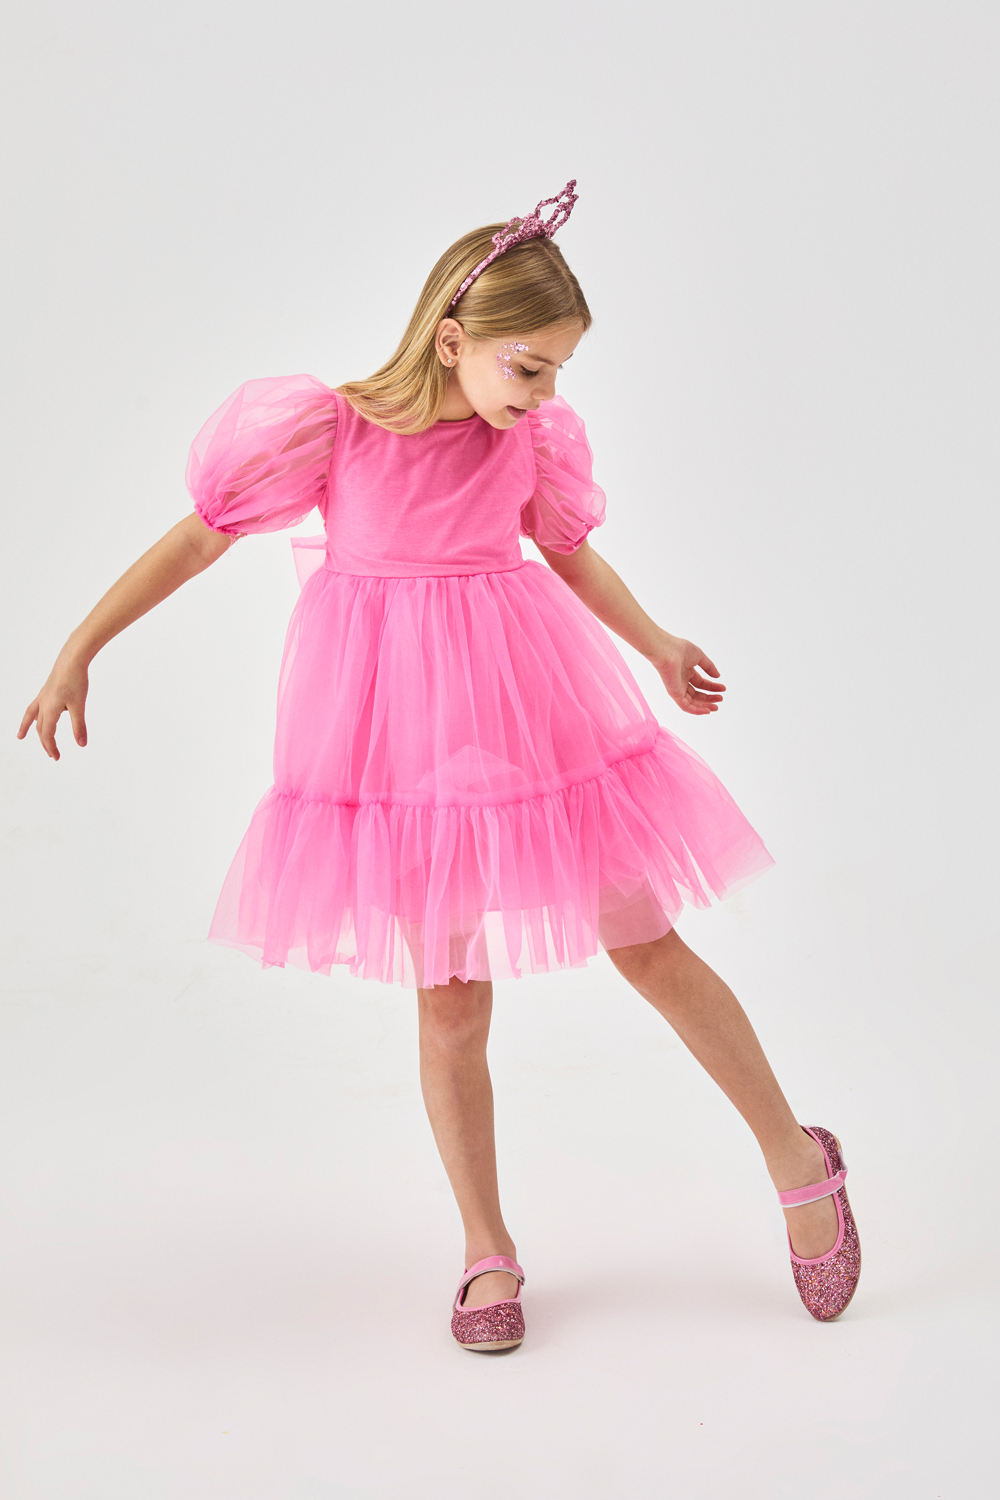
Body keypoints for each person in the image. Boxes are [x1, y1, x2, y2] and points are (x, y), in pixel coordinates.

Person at [18, 181, 860, 1353]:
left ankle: (795, 1156)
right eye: (530, 366)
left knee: (646, 946)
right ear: (452, 339)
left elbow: (571, 555)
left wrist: (658, 643)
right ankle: (485, 1245)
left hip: (531, 719)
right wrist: (80, 647)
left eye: (559, 371)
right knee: (451, 999)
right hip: (403, 751)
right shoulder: (331, 430)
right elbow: (199, 539)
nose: (546, 394)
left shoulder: (527, 443)